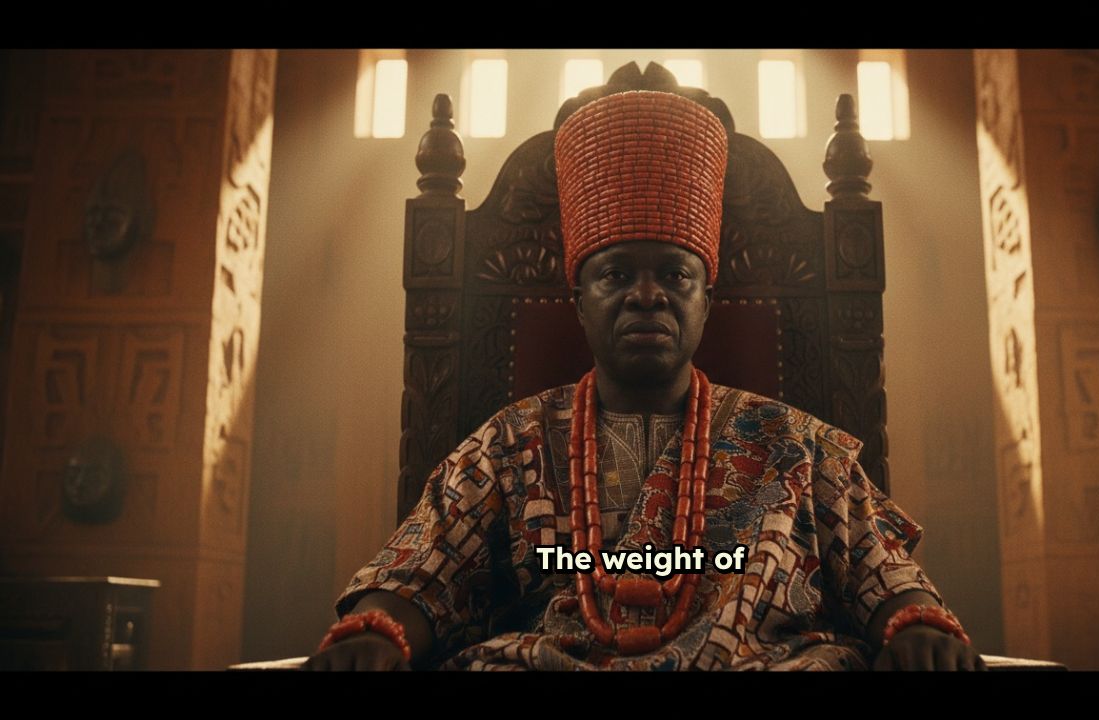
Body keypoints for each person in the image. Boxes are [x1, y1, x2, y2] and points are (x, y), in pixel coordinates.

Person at [305, 90, 984, 671]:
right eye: (617, 274)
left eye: (674, 275)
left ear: (705, 300)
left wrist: (915, 625)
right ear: (579, 301)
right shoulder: (510, 445)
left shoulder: (794, 446)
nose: (647, 295)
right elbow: (422, 573)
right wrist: (376, 632)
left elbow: (882, 572)